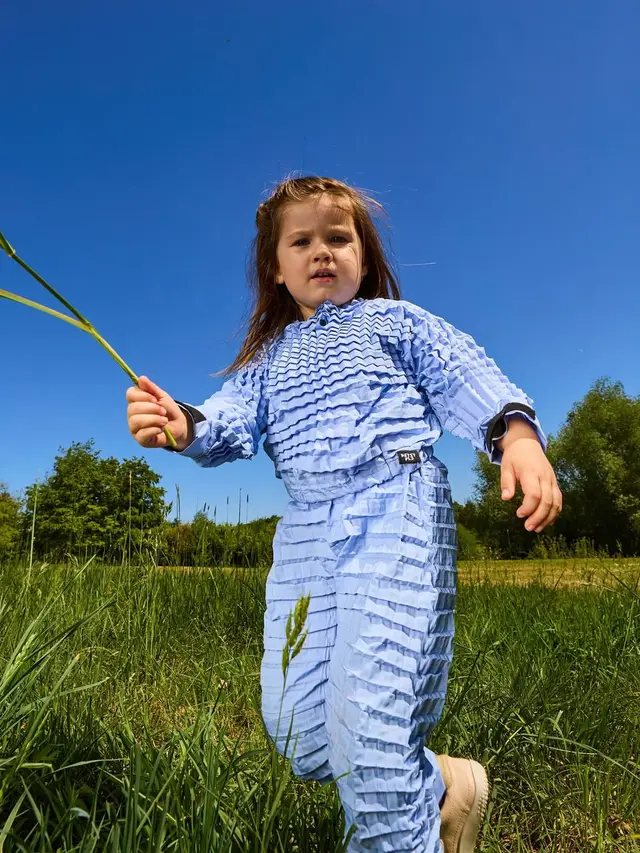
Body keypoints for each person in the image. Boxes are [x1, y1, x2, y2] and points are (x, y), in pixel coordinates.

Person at [126, 176, 562, 853]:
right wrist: (181, 422)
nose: (321, 251)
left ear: (364, 253)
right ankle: (444, 788)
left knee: (371, 732)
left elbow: (459, 370)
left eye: (339, 237)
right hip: (305, 531)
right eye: (301, 241)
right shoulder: (265, 363)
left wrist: (517, 435)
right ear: (276, 268)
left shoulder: (394, 321)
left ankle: (400, 812)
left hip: (395, 509)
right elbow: (228, 421)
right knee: (301, 733)